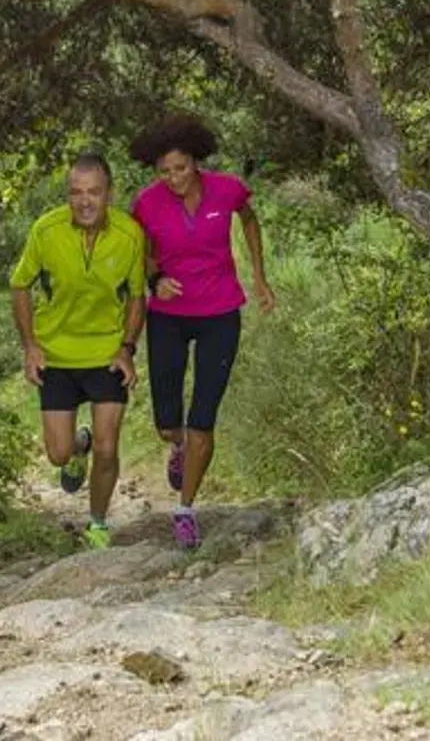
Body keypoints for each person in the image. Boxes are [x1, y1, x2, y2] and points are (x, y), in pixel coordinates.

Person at [128, 115, 275, 550]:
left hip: (220, 312)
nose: (174, 178)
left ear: (196, 161)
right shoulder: (147, 204)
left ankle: (186, 509)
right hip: (169, 316)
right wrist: (155, 280)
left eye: (181, 168)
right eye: (165, 171)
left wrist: (260, 278)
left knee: (202, 419)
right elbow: (142, 253)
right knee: (167, 423)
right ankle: (176, 447)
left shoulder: (227, 188)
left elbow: (249, 221)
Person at [10, 151, 146, 549]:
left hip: (106, 355)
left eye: (94, 193)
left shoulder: (129, 234)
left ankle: (98, 524)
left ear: (109, 194)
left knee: (109, 447)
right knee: (57, 454)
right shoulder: (45, 230)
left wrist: (126, 348)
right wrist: (30, 346)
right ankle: (76, 446)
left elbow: (138, 297)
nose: (85, 201)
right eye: (76, 193)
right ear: (68, 195)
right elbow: (20, 286)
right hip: (57, 356)